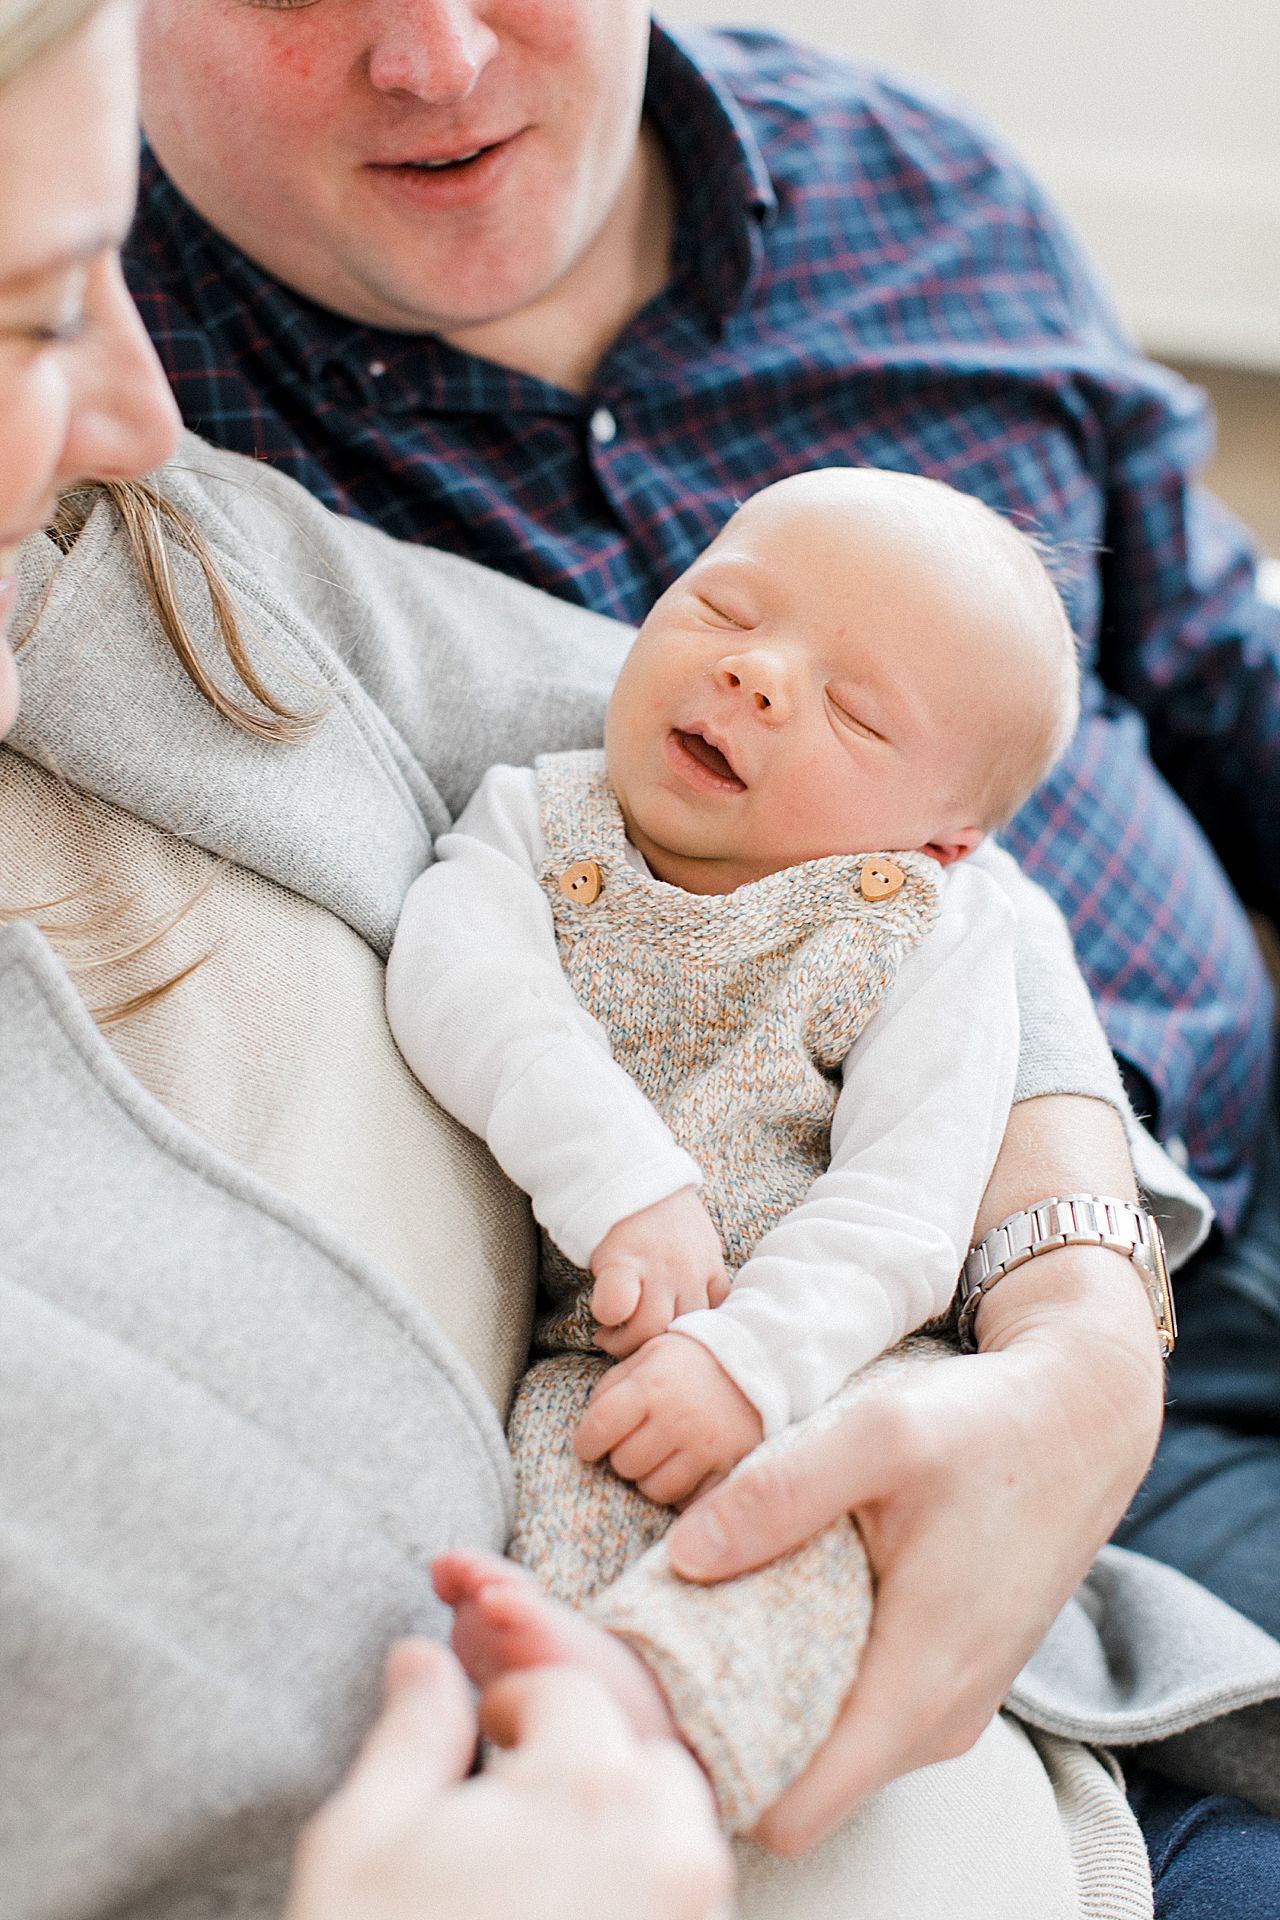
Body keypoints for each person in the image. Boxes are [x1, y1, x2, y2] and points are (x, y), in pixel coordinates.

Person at [4, 2, 1280, 1916]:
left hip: (1137, 1221)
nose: (431, 53)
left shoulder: (914, 188)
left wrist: (1086, 1313)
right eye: (33, 313)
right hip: (921, 1440)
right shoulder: (177, 389)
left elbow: (1115, 757)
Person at [386, 465, 1083, 1832]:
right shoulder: (539, 818)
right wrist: (621, 1181)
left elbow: (907, 1202)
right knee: (557, 1491)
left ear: (945, 833)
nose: (759, 676)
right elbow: (462, 986)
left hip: (834, 1355)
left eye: (854, 710)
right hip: (599, 1348)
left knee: (820, 1541)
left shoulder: (927, 927)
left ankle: (656, 1720)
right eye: (725, 609)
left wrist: (752, 1360)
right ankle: (559, 1702)